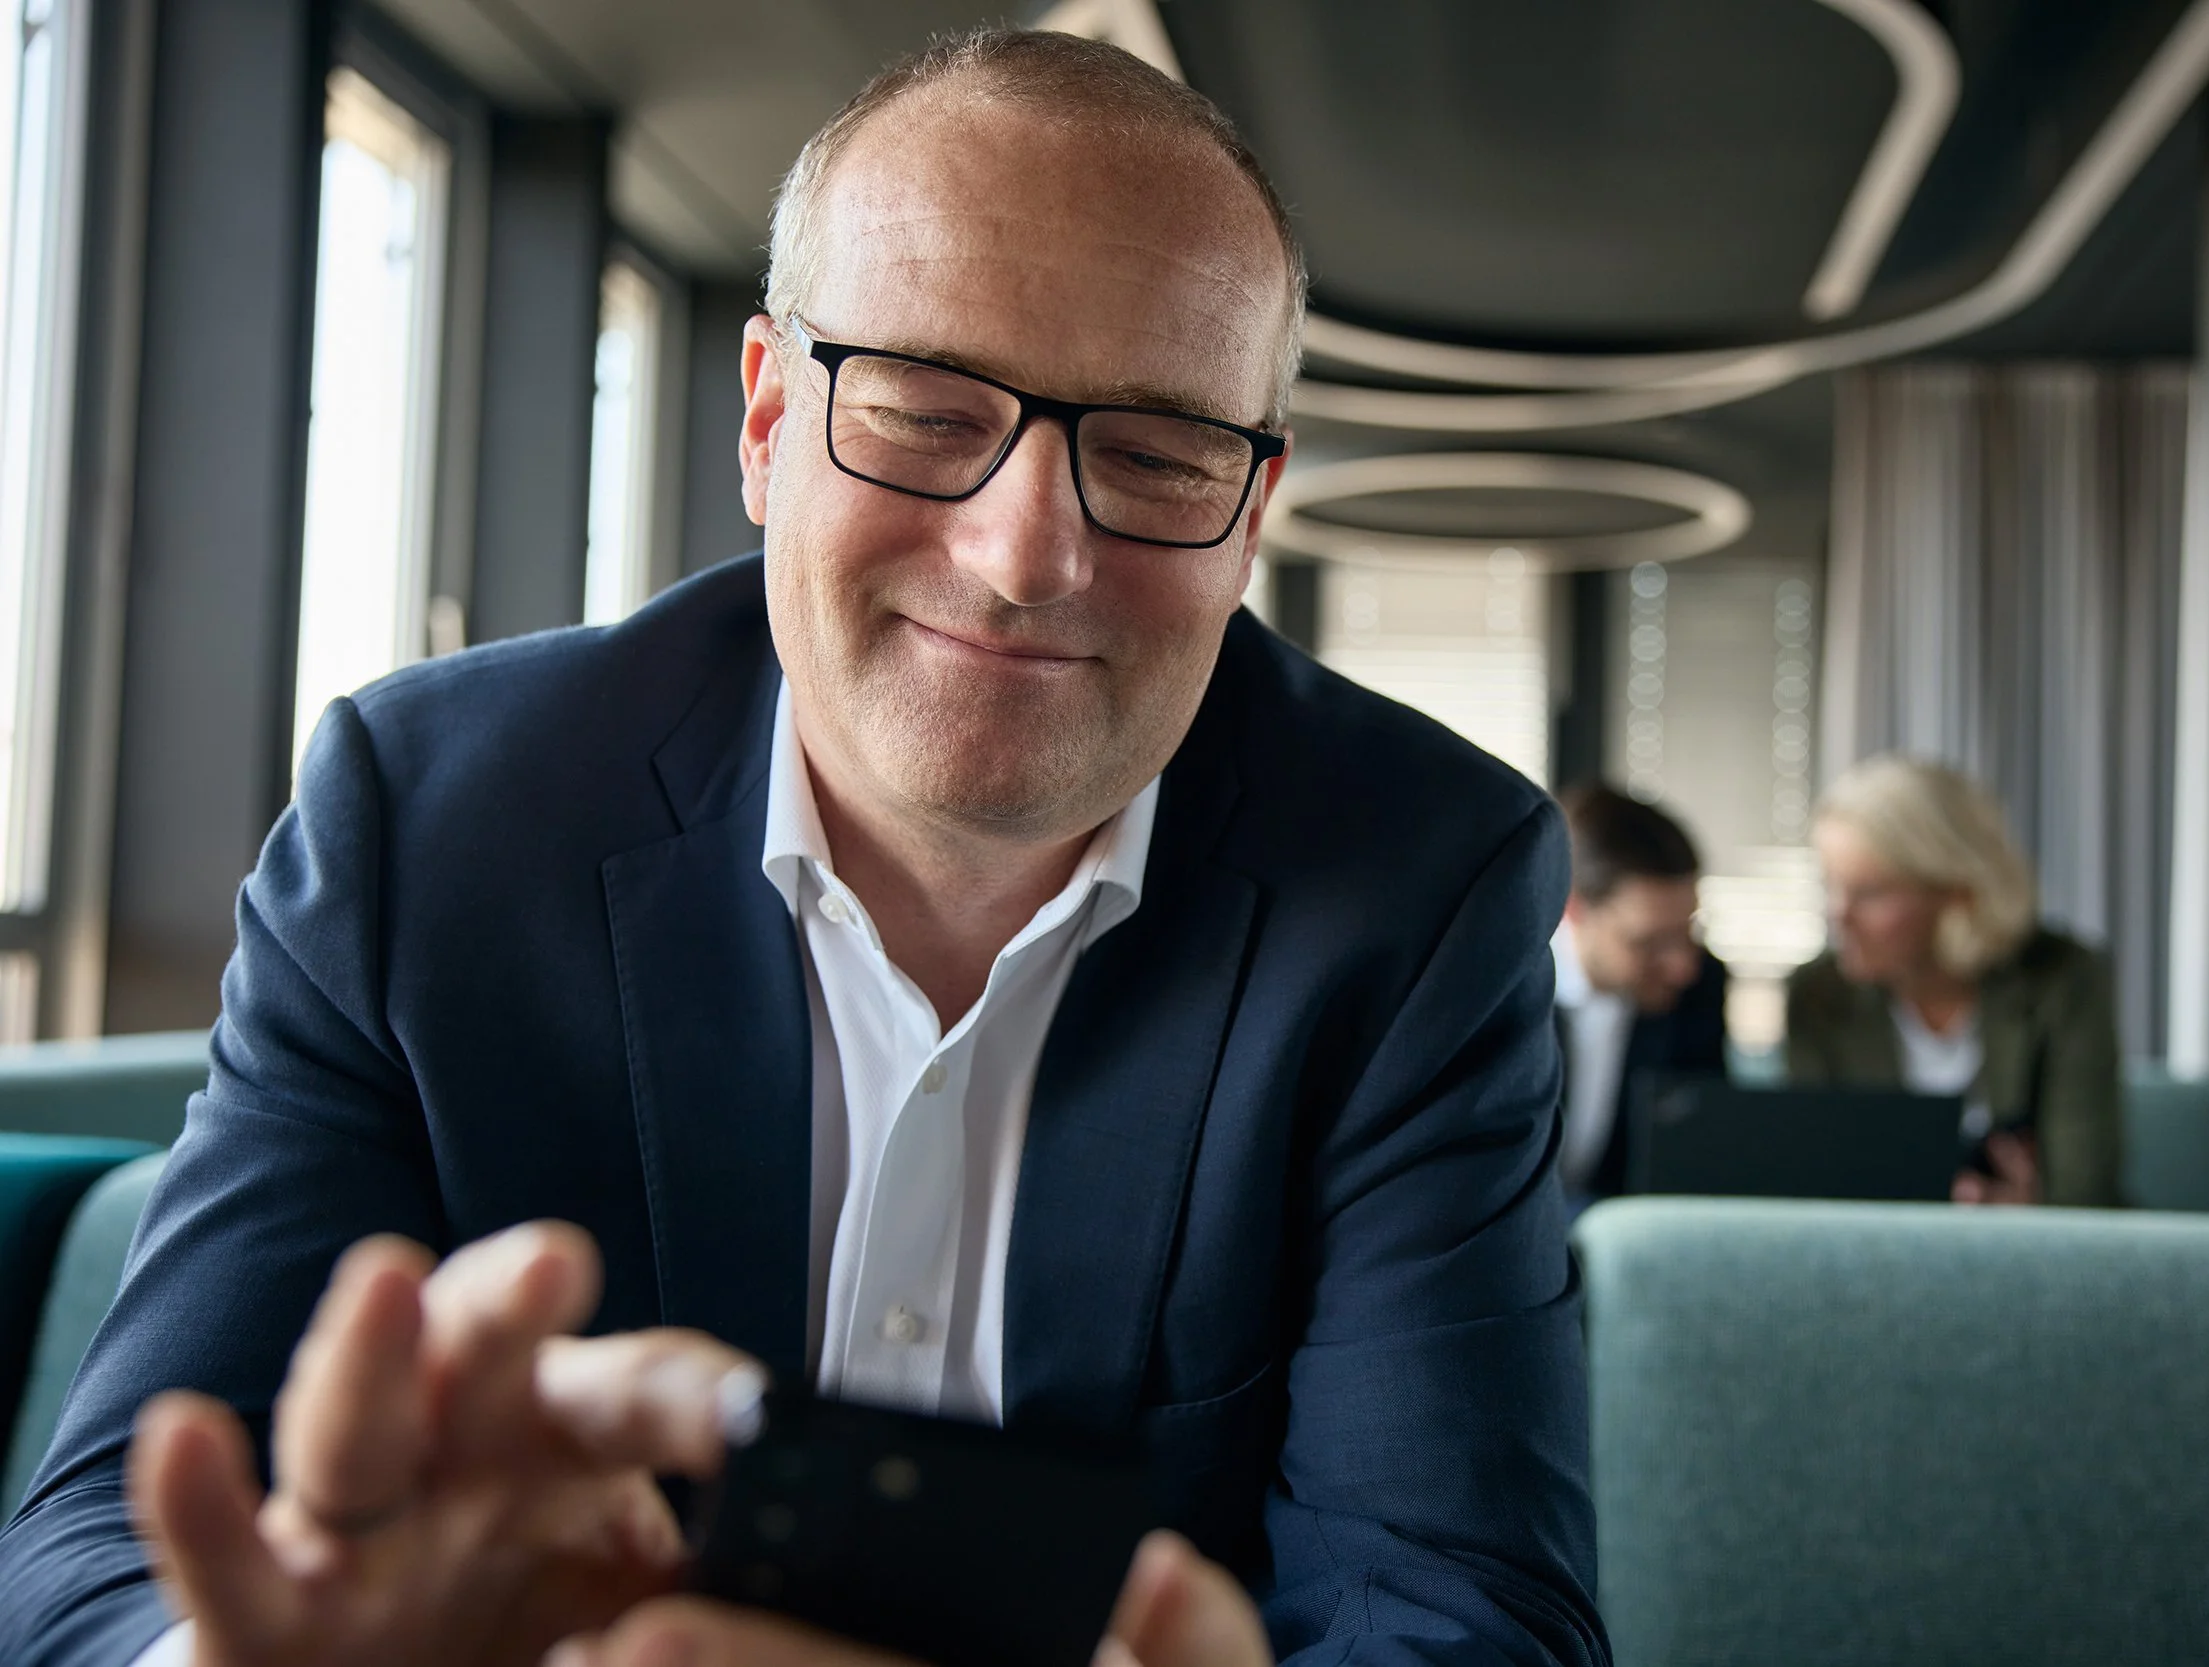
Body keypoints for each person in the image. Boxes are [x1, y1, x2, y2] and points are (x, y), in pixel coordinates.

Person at [0, 30, 1602, 1667]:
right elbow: (101, 1558)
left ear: (1252, 511)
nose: (1028, 553)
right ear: (769, 420)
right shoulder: (435, 823)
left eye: (1159, 456)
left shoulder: (1421, 882)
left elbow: (1470, 1607)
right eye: (922, 413)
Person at [1783, 754, 2123, 1207]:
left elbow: (2085, 1187)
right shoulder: (1816, 996)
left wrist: (2032, 1213)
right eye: (1832, 886)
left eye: (1871, 893)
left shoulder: (2063, 979)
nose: (1838, 914)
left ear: (1957, 892)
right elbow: (1810, 1183)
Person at [1550, 785, 1727, 1202]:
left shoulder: (1700, 988)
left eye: (1687, 933)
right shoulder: (1498, 995)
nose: (1682, 966)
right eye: (1649, 943)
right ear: (1573, 909)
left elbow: (1696, 1162)